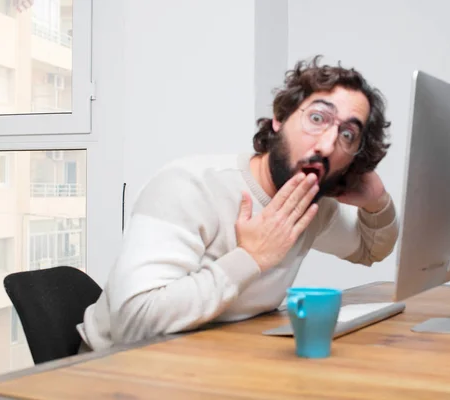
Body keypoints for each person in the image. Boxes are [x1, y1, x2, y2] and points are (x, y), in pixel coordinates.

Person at [77, 56, 399, 352]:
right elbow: (133, 323)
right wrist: (251, 258)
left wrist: (377, 202)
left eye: (347, 135)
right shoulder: (189, 185)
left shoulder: (311, 205)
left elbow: (370, 250)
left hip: (212, 355)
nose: (328, 144)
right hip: (114, 366)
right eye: (317, 118)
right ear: (280, 118)